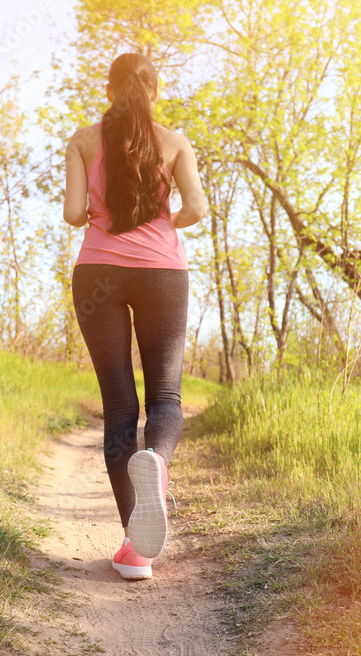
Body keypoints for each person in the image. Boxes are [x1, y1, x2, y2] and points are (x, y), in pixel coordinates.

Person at [62, 52, 207, 580]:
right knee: (165, 395)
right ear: (153, 89)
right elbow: (196, 208)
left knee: (120, 408)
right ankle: (158, 466)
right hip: (162, 273)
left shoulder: (82, 139)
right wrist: (162, 218)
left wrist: (106, 215)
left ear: (109, 89)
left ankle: (135, 549)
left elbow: (74, 213)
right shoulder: (174, 142)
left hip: (98, 272)